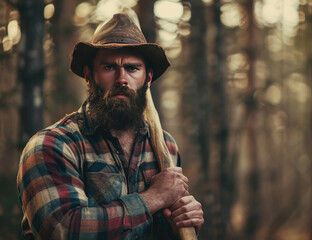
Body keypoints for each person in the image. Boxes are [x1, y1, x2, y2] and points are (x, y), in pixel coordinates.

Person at [16, 12, 204, 239]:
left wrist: (181, 223)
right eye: (109, 67)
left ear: (149, 78)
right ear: (88, 76)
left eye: (133, 68)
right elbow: (62, 229)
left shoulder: (165, 146)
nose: (121, 79)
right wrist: (153, 198)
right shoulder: (52, 145)